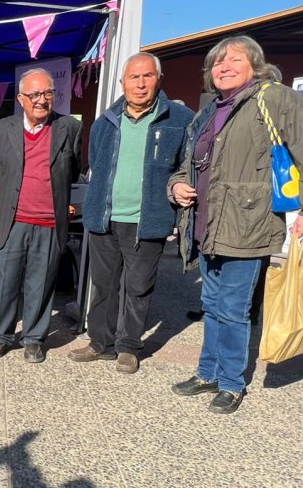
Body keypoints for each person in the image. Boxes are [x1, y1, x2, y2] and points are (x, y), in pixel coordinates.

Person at [169, 35, 303, 414]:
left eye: (234, 61)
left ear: (255, 66)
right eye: (217, 62)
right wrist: (178, 185)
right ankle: (207, 372)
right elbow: (188, 164)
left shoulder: (273, 98)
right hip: (208, 223)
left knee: (232, 307)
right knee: (211, 304)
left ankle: (230, 382)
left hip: (247, 222)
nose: (223, 67)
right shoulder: (209, 109)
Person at [70, 52, 193, 374]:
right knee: (104, 285)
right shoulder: (104, 123)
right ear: (123, 82)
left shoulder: (179, 119)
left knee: (138, 287)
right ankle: (101, 342)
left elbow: (186, 166)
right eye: (134, 77)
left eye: (147, 76)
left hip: (146, 219)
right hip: (104, 218)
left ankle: (129, 346)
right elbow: (96, 163)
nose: (140, 84)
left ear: (158, 80)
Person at [0, 68, 82, 363]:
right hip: (12, 219)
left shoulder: (69, 128)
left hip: (50, 220)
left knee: (41, 282)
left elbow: (73, 169)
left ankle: (34, 338)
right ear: (21, 99)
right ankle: (0, 336)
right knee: (4, 281)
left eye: (48, 93)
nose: (41, 100)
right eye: (34, 94)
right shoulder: (1, 128)